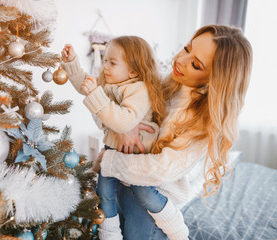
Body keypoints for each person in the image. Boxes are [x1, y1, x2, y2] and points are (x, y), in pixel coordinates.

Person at [93, 24, 253, 240]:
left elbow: (161, 169)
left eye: (196, 64)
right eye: (187, 49)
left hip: (147, 210)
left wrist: (109, 160)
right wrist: (125, 125)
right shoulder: (164, 84)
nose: (180, 60)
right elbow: (115, 109)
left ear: (213, 79)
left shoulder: (201, 122)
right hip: (120, 188)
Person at [60, 36, 189, 240]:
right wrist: (72, 63)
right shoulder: (111, 83)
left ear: (133, 71)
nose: (105, 67)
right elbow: (86, 83)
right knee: (104, 192)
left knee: (144, 192)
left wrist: (96, 94)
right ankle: (110, 234)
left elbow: (124, 122)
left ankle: (176, 228)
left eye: (112, 62)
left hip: (134, 157)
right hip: (113, 151)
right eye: (104, 60)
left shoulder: (138, 89)